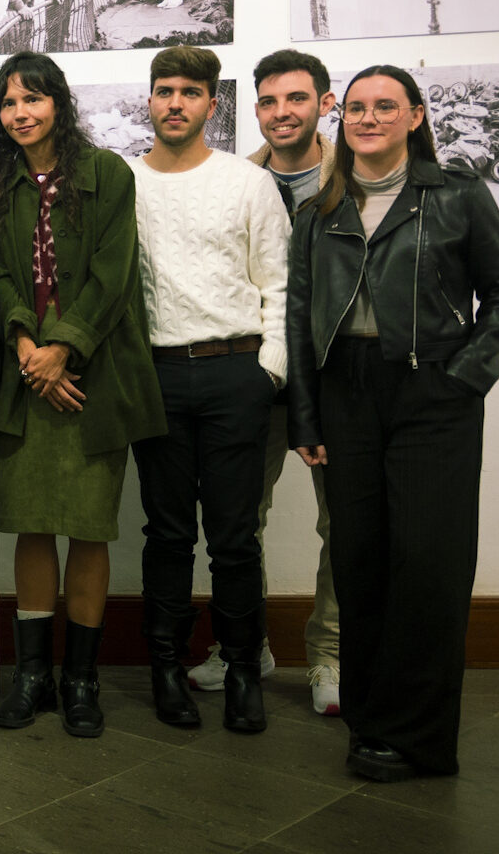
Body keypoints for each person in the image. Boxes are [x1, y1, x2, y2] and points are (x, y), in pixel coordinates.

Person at [287, 65, 499, 781]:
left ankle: (420, 736)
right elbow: (298, 319)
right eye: (356, 107)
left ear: (415, 116)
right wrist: (306, 413)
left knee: (428, 562)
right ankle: (372, 722)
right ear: (339, 118)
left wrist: (467, 375)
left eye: (385, 106)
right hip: (346, 392)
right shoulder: (319, 209)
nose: (368, 118)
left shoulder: (457, 195)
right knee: (360, 560)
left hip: (431, 393)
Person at [0, 54, 165, 738]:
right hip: (27, 378)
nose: (20, 112)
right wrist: (26, 346)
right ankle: (33, 677)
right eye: (8, 103)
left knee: (88, 528)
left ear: (59, 102)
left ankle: (81, 679)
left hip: (94, 376)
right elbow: (0, 277)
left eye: (33, 98)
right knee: (31, 524)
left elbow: (113, 277)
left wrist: (64, 350)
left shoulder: (108, 174)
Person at [129, 46, 290, 734]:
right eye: (164, 90)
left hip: (235, 372)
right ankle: (166, 669)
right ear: (150, 100)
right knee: (166, 535)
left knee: (234, 538)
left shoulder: (247, 184)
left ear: (210, 106)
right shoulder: (124, 183)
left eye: (189, 93)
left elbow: (278, 282)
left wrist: (270, 371)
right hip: (156, 375)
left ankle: (244, 672)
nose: (175, 103)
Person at [187, 49, 342, 714]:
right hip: (252, 378)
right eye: (270, 102)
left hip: (336, 380)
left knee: (344, 525)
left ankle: (330, 656)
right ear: (255, 110)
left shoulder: (356, 180)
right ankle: (243, 646)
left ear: (323, 104)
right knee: (235, 520)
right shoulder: (228, 181)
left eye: (297, 99)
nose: (283, 113)